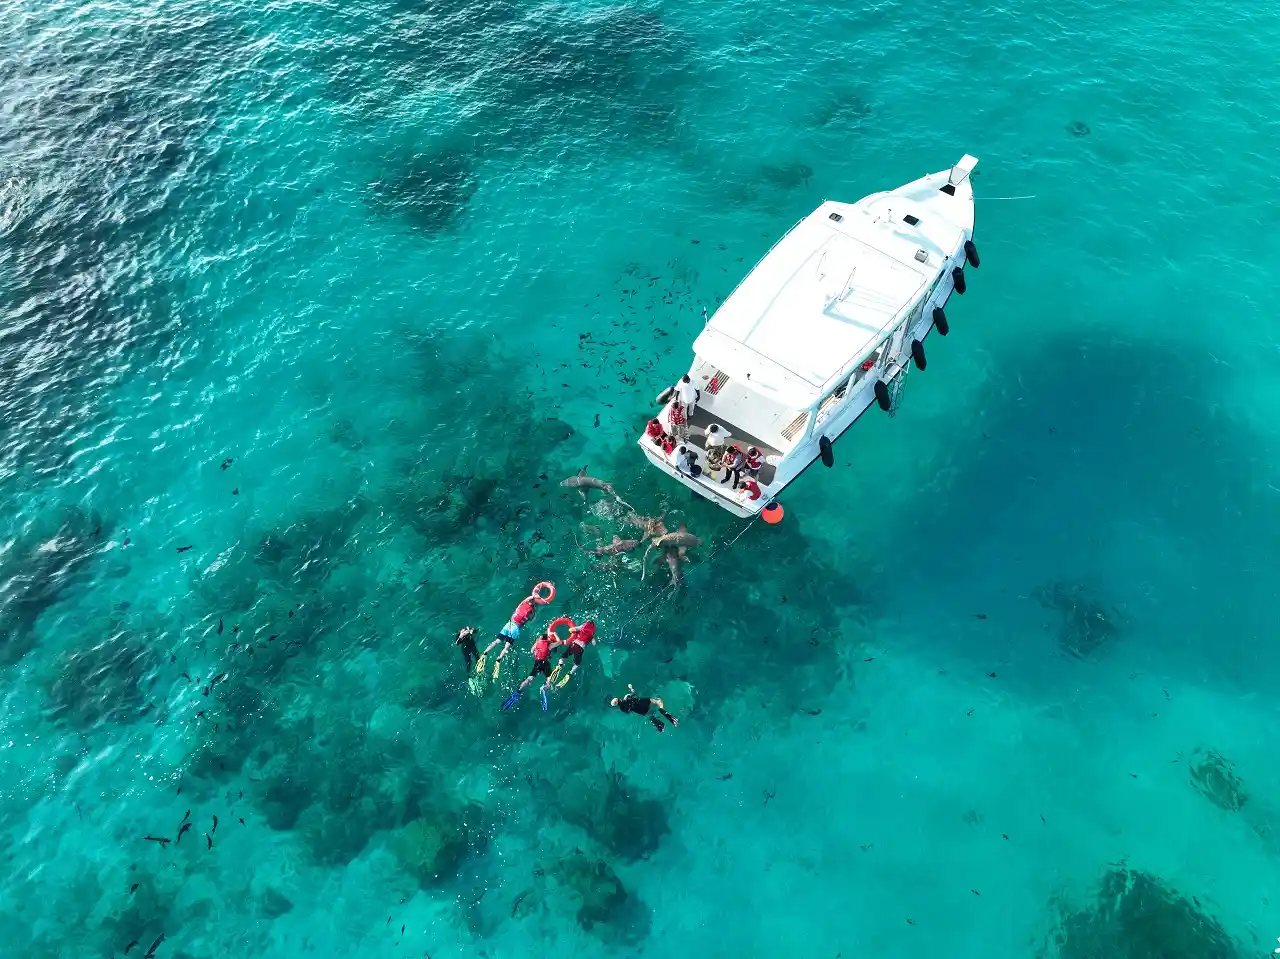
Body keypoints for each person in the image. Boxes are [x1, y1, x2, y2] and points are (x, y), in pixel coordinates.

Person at [479, 590, 541, 679]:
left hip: (509, 624)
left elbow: (527, 599)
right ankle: (499, 659)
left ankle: (485, 653)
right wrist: (535, 611)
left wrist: (533, 596)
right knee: (506, 647)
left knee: (496, 641)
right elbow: (533, 619)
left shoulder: (521, 605)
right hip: (515, 629)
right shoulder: (531, 613)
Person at [610, 684, 679, 732]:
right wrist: (631, 688)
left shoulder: (622, 709)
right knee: (658, 701)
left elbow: (629, 711)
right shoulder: (626, 697)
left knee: (649, 715)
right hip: (642, 702)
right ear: (618, 699)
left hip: (640, 710)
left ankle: (659, 725)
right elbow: (634, 693)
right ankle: (662, 710)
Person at [549, 620, 596, 688]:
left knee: (563, 657)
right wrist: (592, 638)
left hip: (574, 645)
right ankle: (570, 673)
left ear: (587, 623)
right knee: (577, 664)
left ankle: (559, 666)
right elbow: (594, 644)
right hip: (580, 649)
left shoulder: (583, 626)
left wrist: (574, 632)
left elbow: (571, 629)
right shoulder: (592, 633)